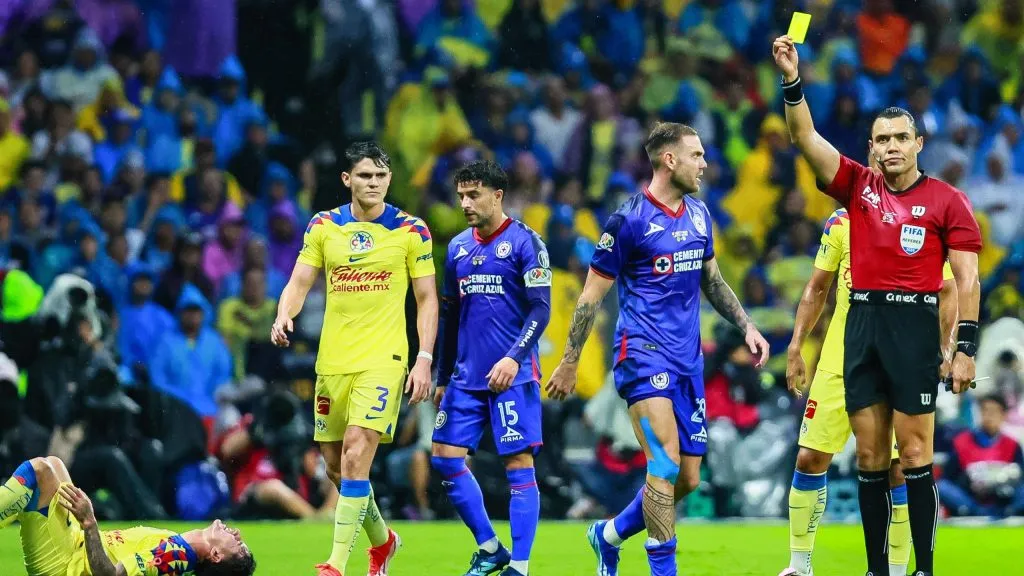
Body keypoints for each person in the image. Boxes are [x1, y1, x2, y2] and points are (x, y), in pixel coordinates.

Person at [772, 35, 983, 576]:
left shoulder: (947, 201)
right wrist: (793, 81)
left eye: (900, 138)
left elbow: (965, 279)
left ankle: (924, 569)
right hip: (861, 323)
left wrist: (963, 349)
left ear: (918, 143)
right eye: (881, 138)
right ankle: (876, 571)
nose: (891, 146)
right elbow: (804, 136)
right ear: (871, 146)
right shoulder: (857, 189)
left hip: (912, 325)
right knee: (868, 458)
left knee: (913, 457)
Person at [545, 122, 770, 576]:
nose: (705, 164)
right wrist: (569, 363)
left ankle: (607, 535)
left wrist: (746, 324)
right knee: (664, 462)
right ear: (670, 160)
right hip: (642, 353)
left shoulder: (700, 215)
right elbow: (590, 297)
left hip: (689, 361)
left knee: (687, 477)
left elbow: (713, 281)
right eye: (697, 155)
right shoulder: (627, 221)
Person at [780, 153, 959, 576]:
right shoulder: (842, 221)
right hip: (839, 361)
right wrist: (795, 346)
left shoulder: (920, 219)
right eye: (877, 150)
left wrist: (945, 348)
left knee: (897, 468)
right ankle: (799, 565)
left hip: (894, 361)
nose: (884, 161)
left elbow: (948, 289)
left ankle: (895, 569)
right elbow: (817, 288)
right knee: (809, 458)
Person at [270, 141, 438, 576]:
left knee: (355, 452)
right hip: (333, 361)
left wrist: (423, 358)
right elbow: (299, 281)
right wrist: (283, 315)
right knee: (335, 468)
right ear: (347, 180)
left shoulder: (411, 230)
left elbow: (426, 299)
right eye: (366, 175)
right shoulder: (324, 226)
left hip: (384, 358)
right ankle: (383, 542)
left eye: (381, 176)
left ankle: (336, 564)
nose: (375, 183)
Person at [431, 161, 551, 576]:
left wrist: (513, 357)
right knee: (445, 458)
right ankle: (489, 547)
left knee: (518, 465)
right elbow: (449, 317)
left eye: (474, 195)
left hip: (512, 378)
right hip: (465, 379)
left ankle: (519, 565)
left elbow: (541, 308)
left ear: (498, 195)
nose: (465, 203)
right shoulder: (457, 248)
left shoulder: (526, 242)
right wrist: (443, 377)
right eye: (461, 195)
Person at [1, 456, 255, 576]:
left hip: (64, 566)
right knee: (55, 465)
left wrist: (89, 523)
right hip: (74, 545)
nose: (238, 533)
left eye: (239, 546)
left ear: (216, 556)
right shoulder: (180, 548)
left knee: (41, 470)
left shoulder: (177, 555)